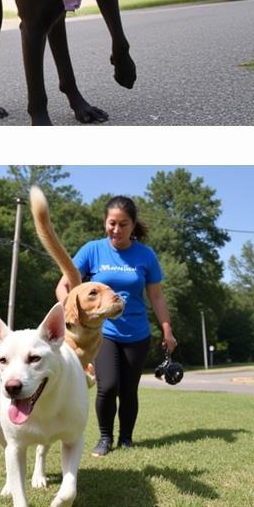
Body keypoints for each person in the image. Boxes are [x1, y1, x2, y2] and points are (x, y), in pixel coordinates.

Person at [56, 195, 176, 457]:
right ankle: (105, 438)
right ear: (105, 222)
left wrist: (167, 329)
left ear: (133, 225)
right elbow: (64, 284)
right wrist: (70, 309)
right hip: (103, 332)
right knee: (107, 386)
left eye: (123, 224)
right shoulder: (92, 250)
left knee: (129, 390)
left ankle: (126, 439)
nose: (116, 230)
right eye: (112, 223)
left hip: (138, 333)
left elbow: (156, 296)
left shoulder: (145, 255)